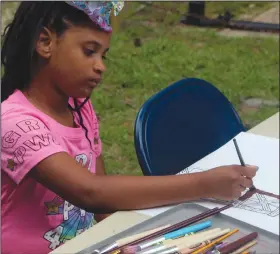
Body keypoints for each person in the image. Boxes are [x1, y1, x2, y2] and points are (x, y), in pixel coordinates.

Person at [1, 1, 258, 253]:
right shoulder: (15, 123)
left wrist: (127, 241)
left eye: (103, 55)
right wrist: (204, 184)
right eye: (89, 51)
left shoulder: (79, 107)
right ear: (45, 43)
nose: (101, 66)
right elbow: (91, 192)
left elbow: (103, 202)